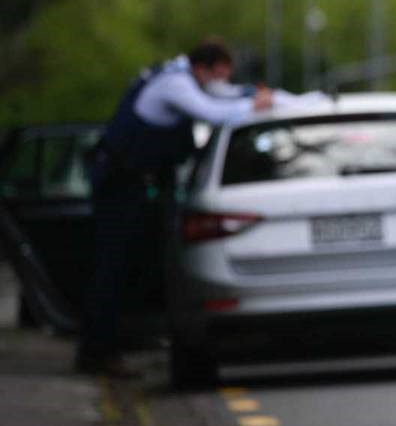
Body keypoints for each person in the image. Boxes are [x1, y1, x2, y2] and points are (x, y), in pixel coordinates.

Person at [77, 39, 274, 374]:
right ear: (202, 68)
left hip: (134, 185)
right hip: (120, 186)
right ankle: (97, 351)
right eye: (219, 76)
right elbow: (213, 112)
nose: (221, 84)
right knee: (113, 267)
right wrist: (255, 106)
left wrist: (271, 99)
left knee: (133, 266)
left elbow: (226, 96)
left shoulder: (184, 78)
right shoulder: (174, 84)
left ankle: (116, 342)